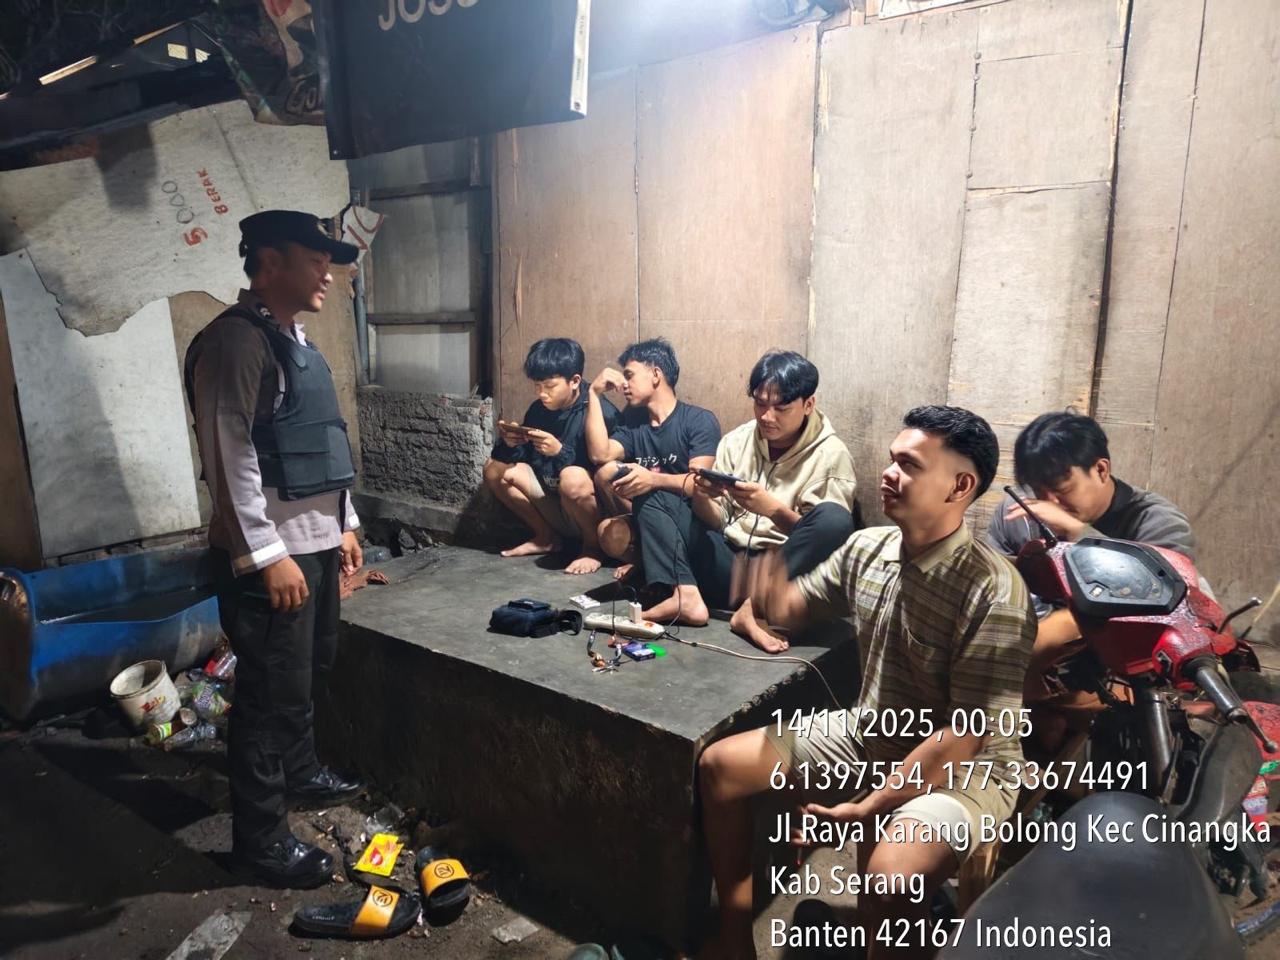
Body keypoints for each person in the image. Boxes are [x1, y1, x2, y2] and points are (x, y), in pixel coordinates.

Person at [697, 406, 1036, 960]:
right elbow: (796, 606)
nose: (889, 472)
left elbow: (966, 735)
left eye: (910, 464)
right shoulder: (868, 548)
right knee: (721, 767)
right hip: (872, 733)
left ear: (960, 486)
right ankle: (733, 944)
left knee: (890, 878)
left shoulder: (993, 590)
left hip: (968, 769)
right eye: (892, 458)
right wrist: (767, 585)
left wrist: (869, 806)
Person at [184, 210, 365, 889]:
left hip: (312, 545)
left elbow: (321, 440)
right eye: (314, 260)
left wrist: (344, 523)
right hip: (273, 559)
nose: (327, 273)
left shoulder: (296, 340)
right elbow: (228, 452)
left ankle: (300, 770)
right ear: (269, 263)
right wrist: (265, 555)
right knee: (264, 696)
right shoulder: (236, 341)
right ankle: (260, 843)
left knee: (305, 673)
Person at [987, 410, 1199, 736]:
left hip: (1122, 658)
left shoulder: (1157, 522)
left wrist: (1076, 531)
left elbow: (1160, 605)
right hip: (1035, 647)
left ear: (1101, 469)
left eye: (1061, 487)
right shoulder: (1019, 512)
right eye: (1038, 490)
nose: (1049, 502)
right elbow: (997, 583)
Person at [687, 350, 858, 651]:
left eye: (781, 408)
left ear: (808, 404)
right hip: (732, 571)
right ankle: (684, 594)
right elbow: (719, 521)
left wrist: (773, 510)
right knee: (664, 495)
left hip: (783, 578)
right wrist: (701, 495)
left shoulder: (831, 455)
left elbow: (824, 541)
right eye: (760, 403)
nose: (767, 416)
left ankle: (753, 609)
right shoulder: (737, 440)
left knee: (835, 519)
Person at [584, 338, 721, 623]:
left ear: (656, 374)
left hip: (695, 526)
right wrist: (593, 395)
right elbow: (600, 454)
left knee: (648, 486)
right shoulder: (635, 424)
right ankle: (654, 572)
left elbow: (699, 485)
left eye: (630, 375)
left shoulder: (698, 420)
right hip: (653, 520)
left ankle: (686, 596)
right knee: (609, 531)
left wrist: (653, 481)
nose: (624, 385)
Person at [484, 338, 620, 574]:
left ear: (575, 381)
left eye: (549, 386)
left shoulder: (600, 411)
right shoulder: (539, 409)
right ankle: (546, 537)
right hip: (554, 501)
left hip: (593, 513)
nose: (542, 394)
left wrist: (560, 452)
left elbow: (605, 473)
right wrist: (510, 443)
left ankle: (593, 548)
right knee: (494, 469)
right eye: (537, 386)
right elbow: (524, 457)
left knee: (573, 477)